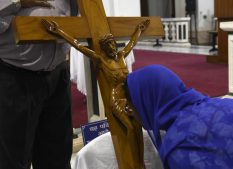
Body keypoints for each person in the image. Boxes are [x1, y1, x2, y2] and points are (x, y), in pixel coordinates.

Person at [125, 64, 233, 169]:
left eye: (133, 106)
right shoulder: (223, 103)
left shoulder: (179, 144)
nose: (132, 113)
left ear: (146, 102)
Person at [42, 18, 150, 169]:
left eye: (113, 44)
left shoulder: (120, 57)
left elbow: (131, 44)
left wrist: (140, 29)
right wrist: (58, 31)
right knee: (130, 128)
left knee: (138, 126)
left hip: (129, 97)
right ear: (105, 48)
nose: (112, 47)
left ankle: (140, 161)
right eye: (109, 45)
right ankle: (136, 162)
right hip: (117, 99)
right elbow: (78, 45)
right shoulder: (101, 60)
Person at [0, 0, 73, 169]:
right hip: (12, 75)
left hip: (57, 73)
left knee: (58, 159)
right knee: (11, 161)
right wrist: (17, 2)